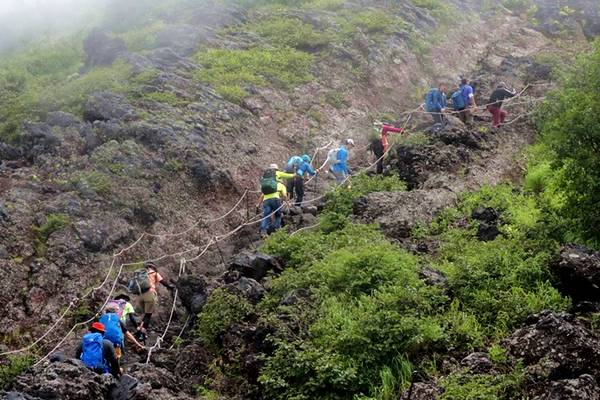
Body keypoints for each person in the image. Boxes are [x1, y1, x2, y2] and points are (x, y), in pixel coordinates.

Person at [136, 262, 176, 341]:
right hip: (150, 295)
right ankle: (142, 334)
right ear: (152, 267)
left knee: (145, 315)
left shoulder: (140, 275)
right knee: (148, 315)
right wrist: (170, 287)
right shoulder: (154, 273)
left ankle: (139, 331)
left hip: (140, 296)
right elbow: (163, 282)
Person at [257, 164, 288, 237]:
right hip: (275, 200)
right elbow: (284, 195)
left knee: (266, 216)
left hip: (266, 201)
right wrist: (287, 201)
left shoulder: (269, 184)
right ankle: (277, 230)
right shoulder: (280, 185)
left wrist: (258, 204)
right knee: (278, 215)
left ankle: (263, 231)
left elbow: (262, 195)